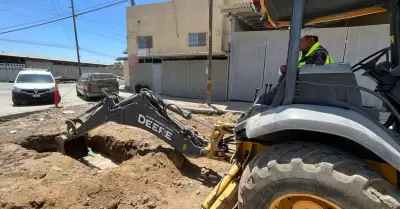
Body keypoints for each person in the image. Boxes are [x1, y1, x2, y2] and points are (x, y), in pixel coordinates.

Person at [262, 27, 334, 105]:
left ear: (311, 40)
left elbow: (309, 78)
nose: (298, 43)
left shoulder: (319, 54)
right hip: (301, 92)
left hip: (310, 95)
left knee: (264, 100)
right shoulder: (307, 54)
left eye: (301, 40)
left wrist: (289, 70)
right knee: (265, 98)